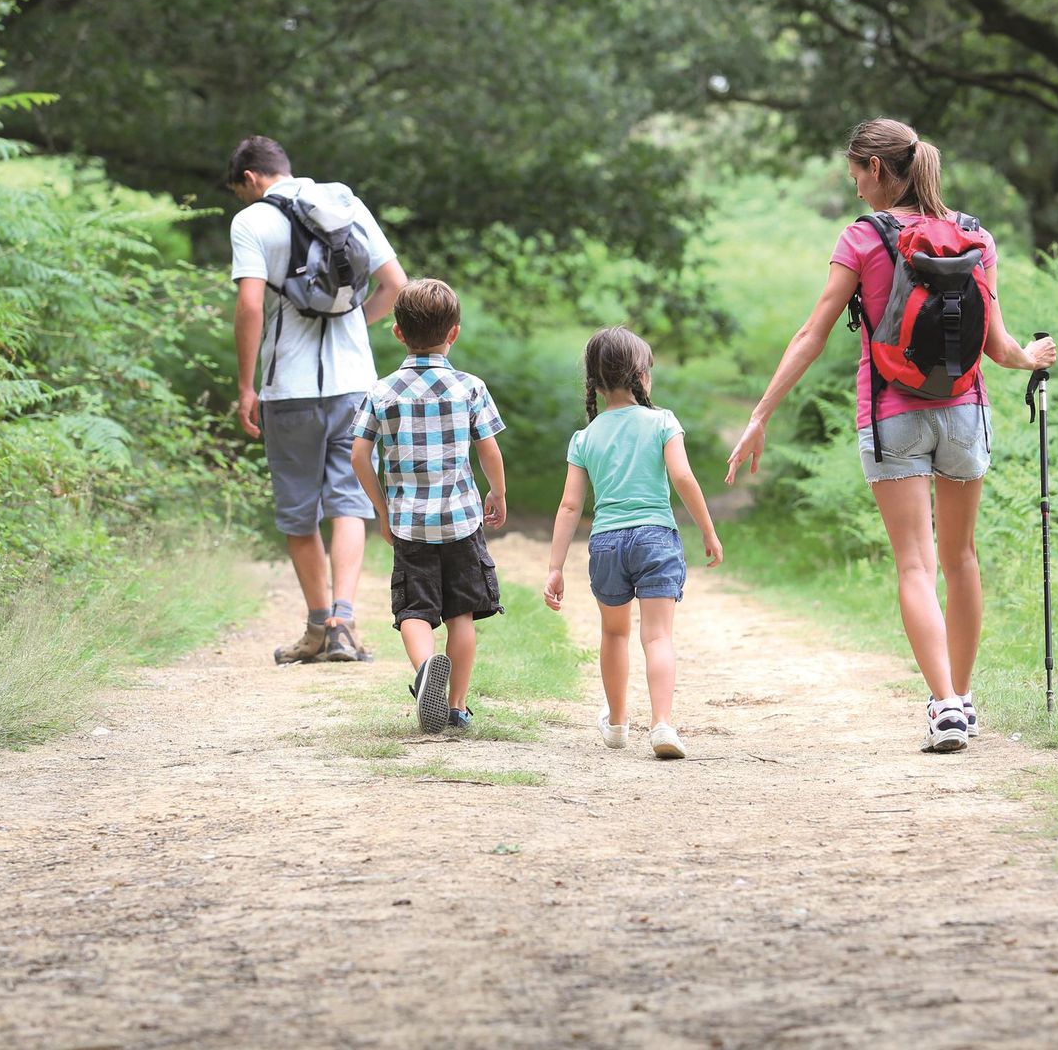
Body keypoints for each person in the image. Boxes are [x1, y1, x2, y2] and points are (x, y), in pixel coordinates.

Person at [724, 117, 1057, 753]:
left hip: (891, 413)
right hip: (966, 412)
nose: (854, 190)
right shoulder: (975, 237)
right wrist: (1032, 358)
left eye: (855, 175)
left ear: (877, 170)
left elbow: (813, 333)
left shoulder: (863, 239)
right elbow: (997, 345)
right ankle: (963, 698)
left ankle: (945, 706)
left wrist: (761, 412)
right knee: (962, 558)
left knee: (915, 561)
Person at [228, 135, 407, 665]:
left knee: (299, 511)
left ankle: (315, 627)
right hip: (355, 383)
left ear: (251, 179)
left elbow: (250, 306)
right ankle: (344, 624)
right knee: (349, 501)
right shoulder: (344, 204)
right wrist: (354, 321)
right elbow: (396, 284)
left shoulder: (252, 221)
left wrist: (246, 385)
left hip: (289, 389)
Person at [543, 326, 723, 760]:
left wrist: (555, 566)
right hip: (655, 538)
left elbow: (570, 506)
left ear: (594, 383)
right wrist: (707, 529)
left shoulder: (584, 438)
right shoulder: (662, 421)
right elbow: (682, 476)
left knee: (614, 634)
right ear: (641, 376)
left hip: (606, 543)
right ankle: (662, 724)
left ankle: (619, 724)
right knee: (657, 637)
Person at [350, 278, 507, 734]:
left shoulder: (382, 391)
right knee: (461, 614)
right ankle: (456, 707)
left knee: (414, 611)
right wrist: (496, 492)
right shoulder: (469, 388)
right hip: (460, 519)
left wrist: (382, 510)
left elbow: (359, 454)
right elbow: (489, 450)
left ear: (397, 332)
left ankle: (424, 672)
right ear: (454, 332)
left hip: (408, 523)